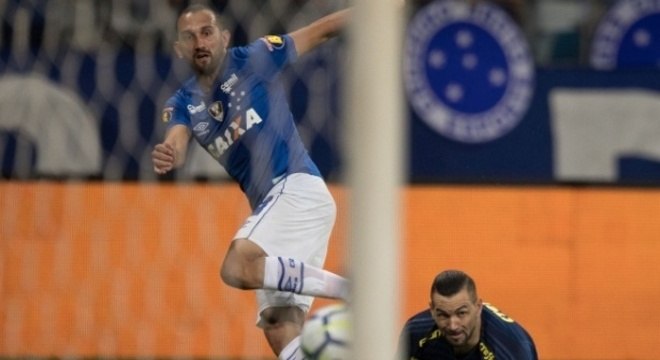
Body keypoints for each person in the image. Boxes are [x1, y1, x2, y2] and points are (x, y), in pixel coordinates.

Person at [151, 4, 350, 359]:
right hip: (275, 206)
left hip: (296, 187)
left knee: (237, 266)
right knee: (278, 324)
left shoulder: (255, 58)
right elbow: (176, 139)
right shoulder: (182, 102)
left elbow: (322, 30)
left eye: (207, 32)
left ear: (224, 38)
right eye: (189, 36)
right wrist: (170, 150)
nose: (199, 41)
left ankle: (353, 291)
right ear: (179, 49)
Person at [399, 270, 537, 359]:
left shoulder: (513, 349)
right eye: (443, 315)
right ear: (432, 310)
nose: (453, 325)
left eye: (461, 313)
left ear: (478, 307)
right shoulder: (416, 332)